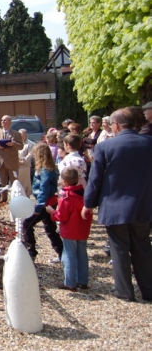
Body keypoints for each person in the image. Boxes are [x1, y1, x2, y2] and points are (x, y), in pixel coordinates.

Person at [82, 109, 152, 302]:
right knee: (143, 247)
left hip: (115, 205)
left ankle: (124, 291)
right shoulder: (149, 143)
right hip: (144, 204)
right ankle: (148, 290)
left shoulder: (105, 147)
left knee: (119, 248)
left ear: (116, 125)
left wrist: (88, 203)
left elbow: (96, 179)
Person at [46, 167, 92, 291]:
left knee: (69, 255)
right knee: (82, 254)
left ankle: (70, 282)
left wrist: (52, 212)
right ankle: (82, 281)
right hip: (83, 229)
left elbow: (61, 216)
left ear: (65, 182)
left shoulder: (66, 197)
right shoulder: (84, 195)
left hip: (70, 230)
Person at [22, 143, 63, 263]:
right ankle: (62, 253)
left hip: (45, 203)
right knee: (50, 229)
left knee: (27, 225)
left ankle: (31, 252)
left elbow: (44, 189)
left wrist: (38, 207)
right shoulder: (49, 168)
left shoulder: (44, 170)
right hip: (50, 202)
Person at [0, 115, 23, 186]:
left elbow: (21, 146)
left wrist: (13, 144)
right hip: (0, 163)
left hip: (12, 163)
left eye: (5, 120)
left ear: (10, 122)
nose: (3, 122)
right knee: (2, 183)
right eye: (2, 120)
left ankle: (15, 197)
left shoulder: (16, 134)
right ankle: (4, 197)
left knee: (14, 182)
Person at [17, 129, 36, 197]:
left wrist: (22, 161)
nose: (20, 136)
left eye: (22, 135)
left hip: (25, 167)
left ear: (25, 135)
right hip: (16, 166)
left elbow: (30, 155)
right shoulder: (16, 143)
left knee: (25, 185)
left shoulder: (31, 144)